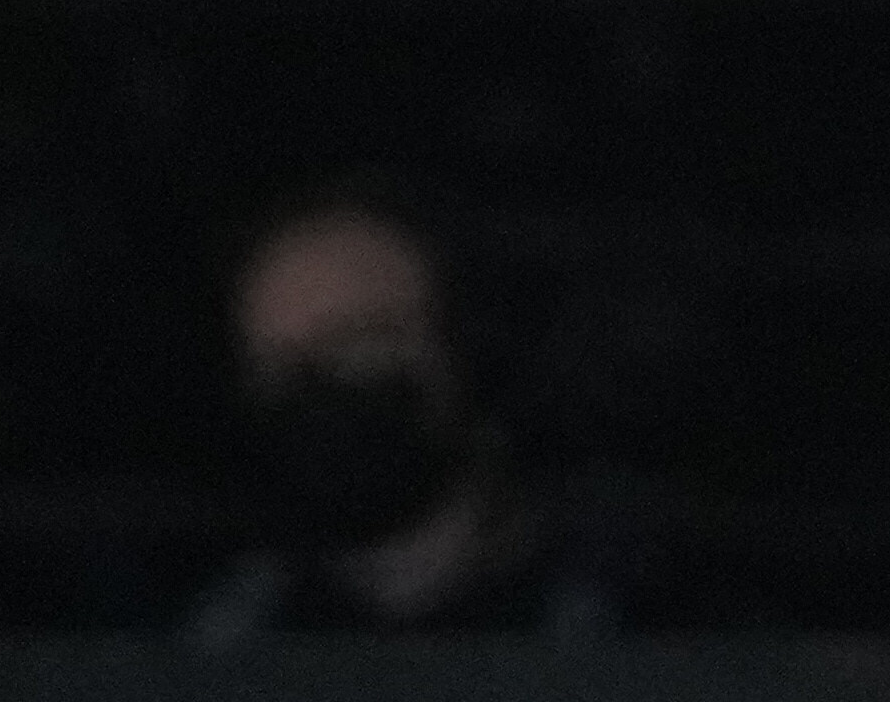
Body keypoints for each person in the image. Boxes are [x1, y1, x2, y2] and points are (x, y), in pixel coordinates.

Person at [178, 183, 621, 640]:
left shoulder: (629, 615)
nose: (321, 388)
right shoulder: (222, 634)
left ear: (465, 349)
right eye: (281, 365)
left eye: (360, 346)